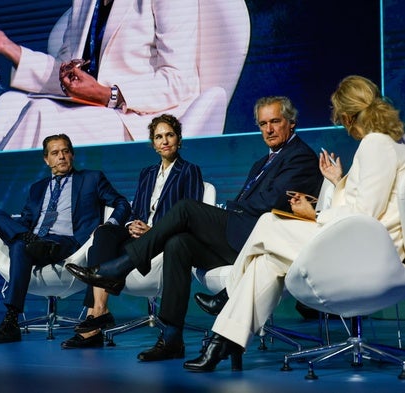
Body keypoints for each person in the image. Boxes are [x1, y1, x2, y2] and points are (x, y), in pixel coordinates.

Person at [66, 96, 324, 361]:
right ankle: (171, 338)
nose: (268, 129)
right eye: (262, 124)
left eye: (275, 122)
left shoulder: (301, 157)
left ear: (291, 123)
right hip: (240, 237)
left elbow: (270, 203)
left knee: (187, 208)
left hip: (259, 242)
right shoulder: (262, 162)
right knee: (179, 244)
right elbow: (251, 203)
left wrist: (232, 208)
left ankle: (119, 268)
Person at [182, 75, 405, 372]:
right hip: (359, 243)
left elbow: (363, 214)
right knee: (267, 262)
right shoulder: (387, 145)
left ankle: (228, 297)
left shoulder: (375, 144)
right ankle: (224, 341)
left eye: (340, 117)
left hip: (371, 253)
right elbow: (368, 206)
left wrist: (313, 216)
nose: (341, 124)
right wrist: (339, 182)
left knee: (267, 222)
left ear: (349, 116)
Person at [0, 1, 201, 150]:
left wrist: (108, 95)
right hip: (88, 109)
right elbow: (67, 76)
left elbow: (179, 81)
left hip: (137, 118)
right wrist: (9, 48)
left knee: (41, 113)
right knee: (14, 104)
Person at [61, 114, 205, 349]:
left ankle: (94, 321)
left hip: (163, 239)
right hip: (137, 235)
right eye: (159, 137)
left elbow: (190, 214)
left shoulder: (190, 171)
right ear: (153, 143)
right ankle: (99, 309)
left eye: (169, 135)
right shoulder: (146, 173)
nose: (165, 141)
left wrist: (154, 230)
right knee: (104, 233)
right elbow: (135, 210)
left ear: (179, 139)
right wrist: (132, 225)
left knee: (108, 248)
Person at [0, 133, 131, 344]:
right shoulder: (37, 188)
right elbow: (26, 219)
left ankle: (10, 320)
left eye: (65, 151)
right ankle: (12, 317)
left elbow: (122, 203)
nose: (61, 156)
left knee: (19, 246)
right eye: (55, 153)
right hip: (34, 237)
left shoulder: (91, 178)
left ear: (72, 155)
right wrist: (15, 230)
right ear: (46, 159)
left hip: (67, 242)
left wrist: (110, 225)